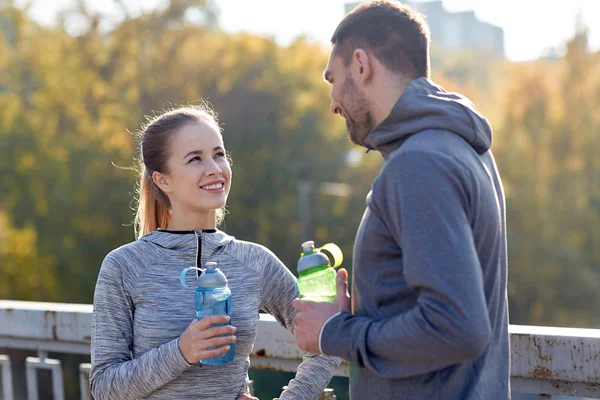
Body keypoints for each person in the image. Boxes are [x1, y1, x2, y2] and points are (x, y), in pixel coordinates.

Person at [292, 1, 510, 399]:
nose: (334, 102)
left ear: (361, 64)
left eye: (332, 79)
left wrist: (334, 332)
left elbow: (457, 327)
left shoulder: (419, 164)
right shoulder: (462, 148)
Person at [90, 105, 340, 400]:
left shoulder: (255, 261)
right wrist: (182, 350)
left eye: (218, 154)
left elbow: (329, 336)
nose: (214, 168)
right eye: (195, 158)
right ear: (162, 179)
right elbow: (104, 386)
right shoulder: (124, 265)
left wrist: (293, 397)